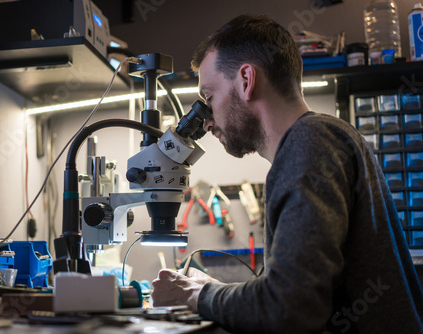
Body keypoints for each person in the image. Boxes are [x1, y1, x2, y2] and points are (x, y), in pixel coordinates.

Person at [151, 14, 423, 333]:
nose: (207, 122)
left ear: (246, 80)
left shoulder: (311, 143)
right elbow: (287, 291)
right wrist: (213, 290)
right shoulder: (321, 138)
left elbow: (289, 307)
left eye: (209, 98)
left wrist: (197, 295)